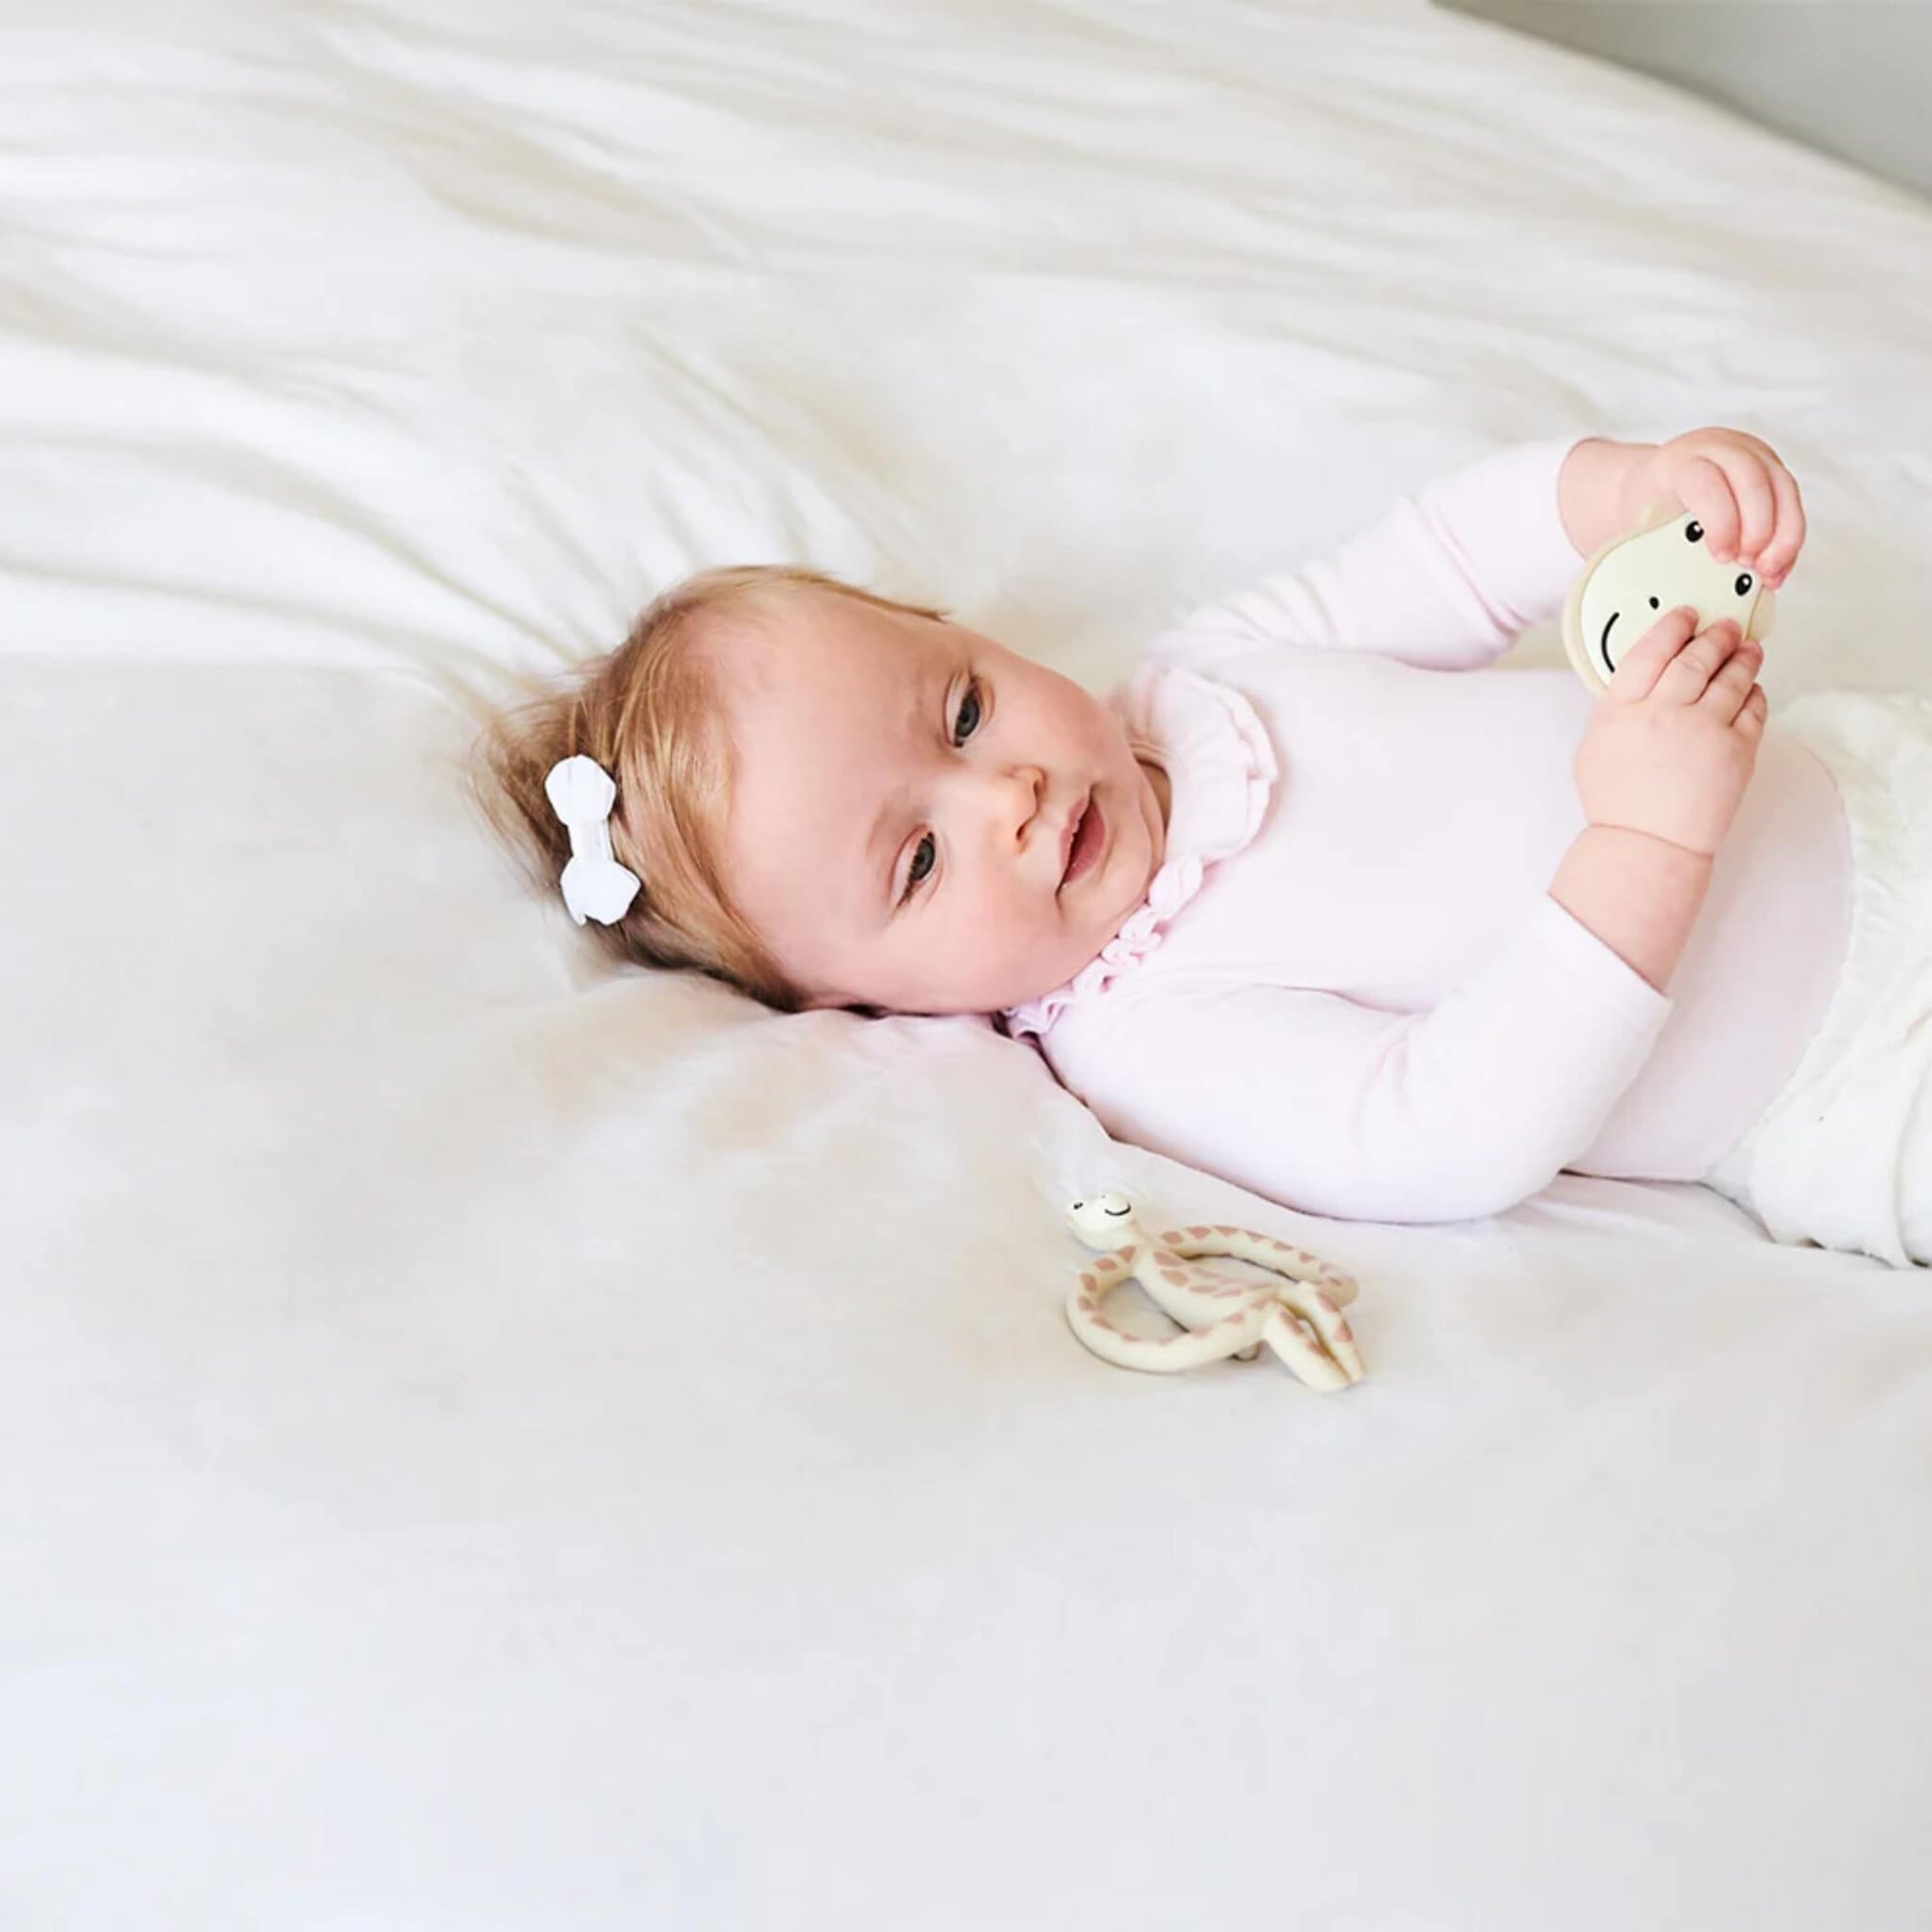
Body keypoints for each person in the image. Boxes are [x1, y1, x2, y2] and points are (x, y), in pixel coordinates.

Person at [472, 426, 1932, 1267]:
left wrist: (1618, 494)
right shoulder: (1148, 1034)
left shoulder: (1202, 676)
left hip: (1861, 779)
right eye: (917, 863)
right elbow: (1440, 1129)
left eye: (965, 708)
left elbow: (1440, 559)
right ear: (857, 1004)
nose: (1008, 798)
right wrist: (1647, 831)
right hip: (1849, 1071)